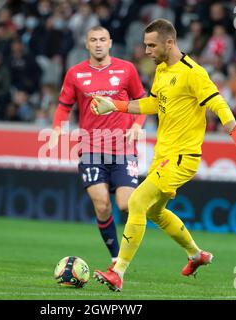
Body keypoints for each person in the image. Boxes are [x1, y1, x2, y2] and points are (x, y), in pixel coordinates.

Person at [91, 19, 236, 292]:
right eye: (146, 45)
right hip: (164, 155)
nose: (146, 50)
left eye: (152, 45)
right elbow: (153, 103)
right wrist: (115, 105)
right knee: (156, 212)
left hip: (182, 158)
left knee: (136, 202)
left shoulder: (193, 72)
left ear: (169, 43)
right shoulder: (161, 70)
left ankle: (118, 272)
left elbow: (219, 104)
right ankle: (197, 256)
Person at [49, 26, 146, 269]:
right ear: (87, 44)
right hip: (91, 149)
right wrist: (57, 129)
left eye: (103, 39)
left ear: (110, 43)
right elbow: (63, 106)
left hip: (123, 148)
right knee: (102, 204)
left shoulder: (127, 69)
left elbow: (143, 101)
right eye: (93, 40)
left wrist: (137, 125)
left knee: (126, 205)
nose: (99, 44)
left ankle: (124, 253)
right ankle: (116, 259)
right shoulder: (75, 73)